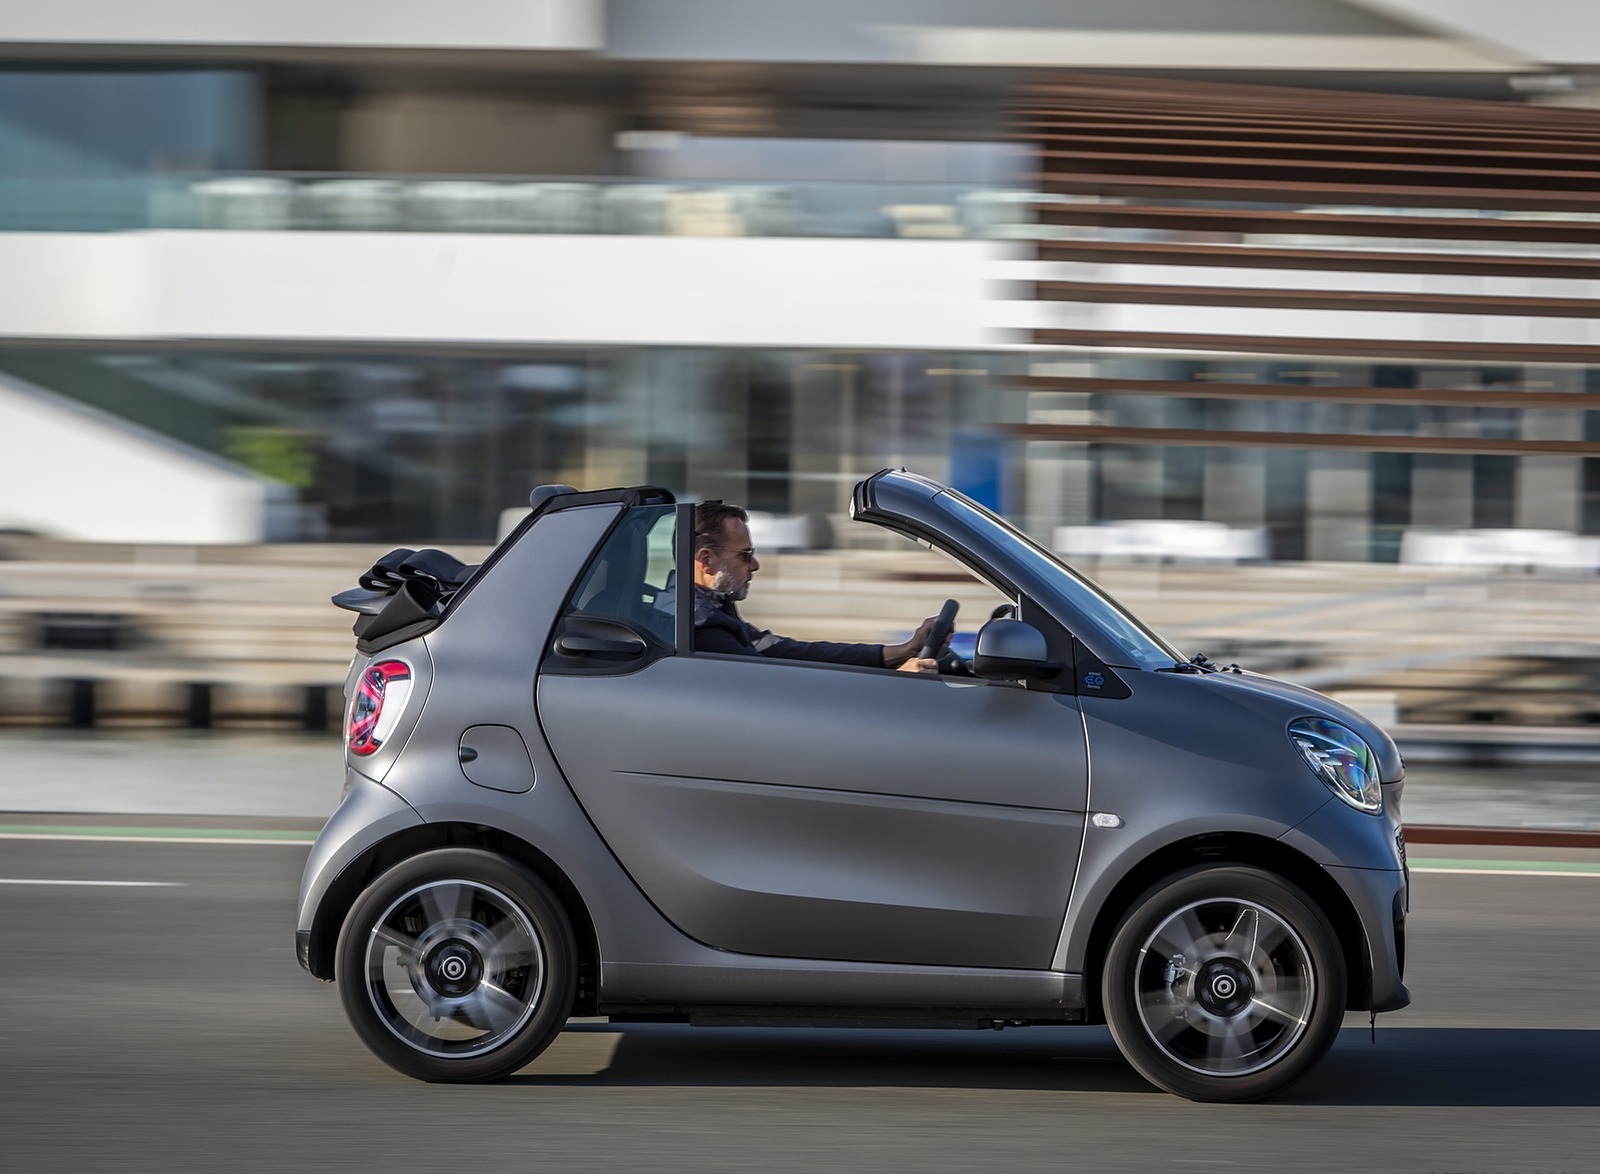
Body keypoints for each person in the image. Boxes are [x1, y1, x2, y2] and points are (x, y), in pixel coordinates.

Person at [688, 501, 942, 673]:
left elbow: (786, 651)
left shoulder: (708, 605)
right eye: (745, 555)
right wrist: (899, 678)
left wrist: (899, 652)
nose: (754, 565)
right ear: (706, 560)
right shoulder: (703, 626)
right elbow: (771, 683)